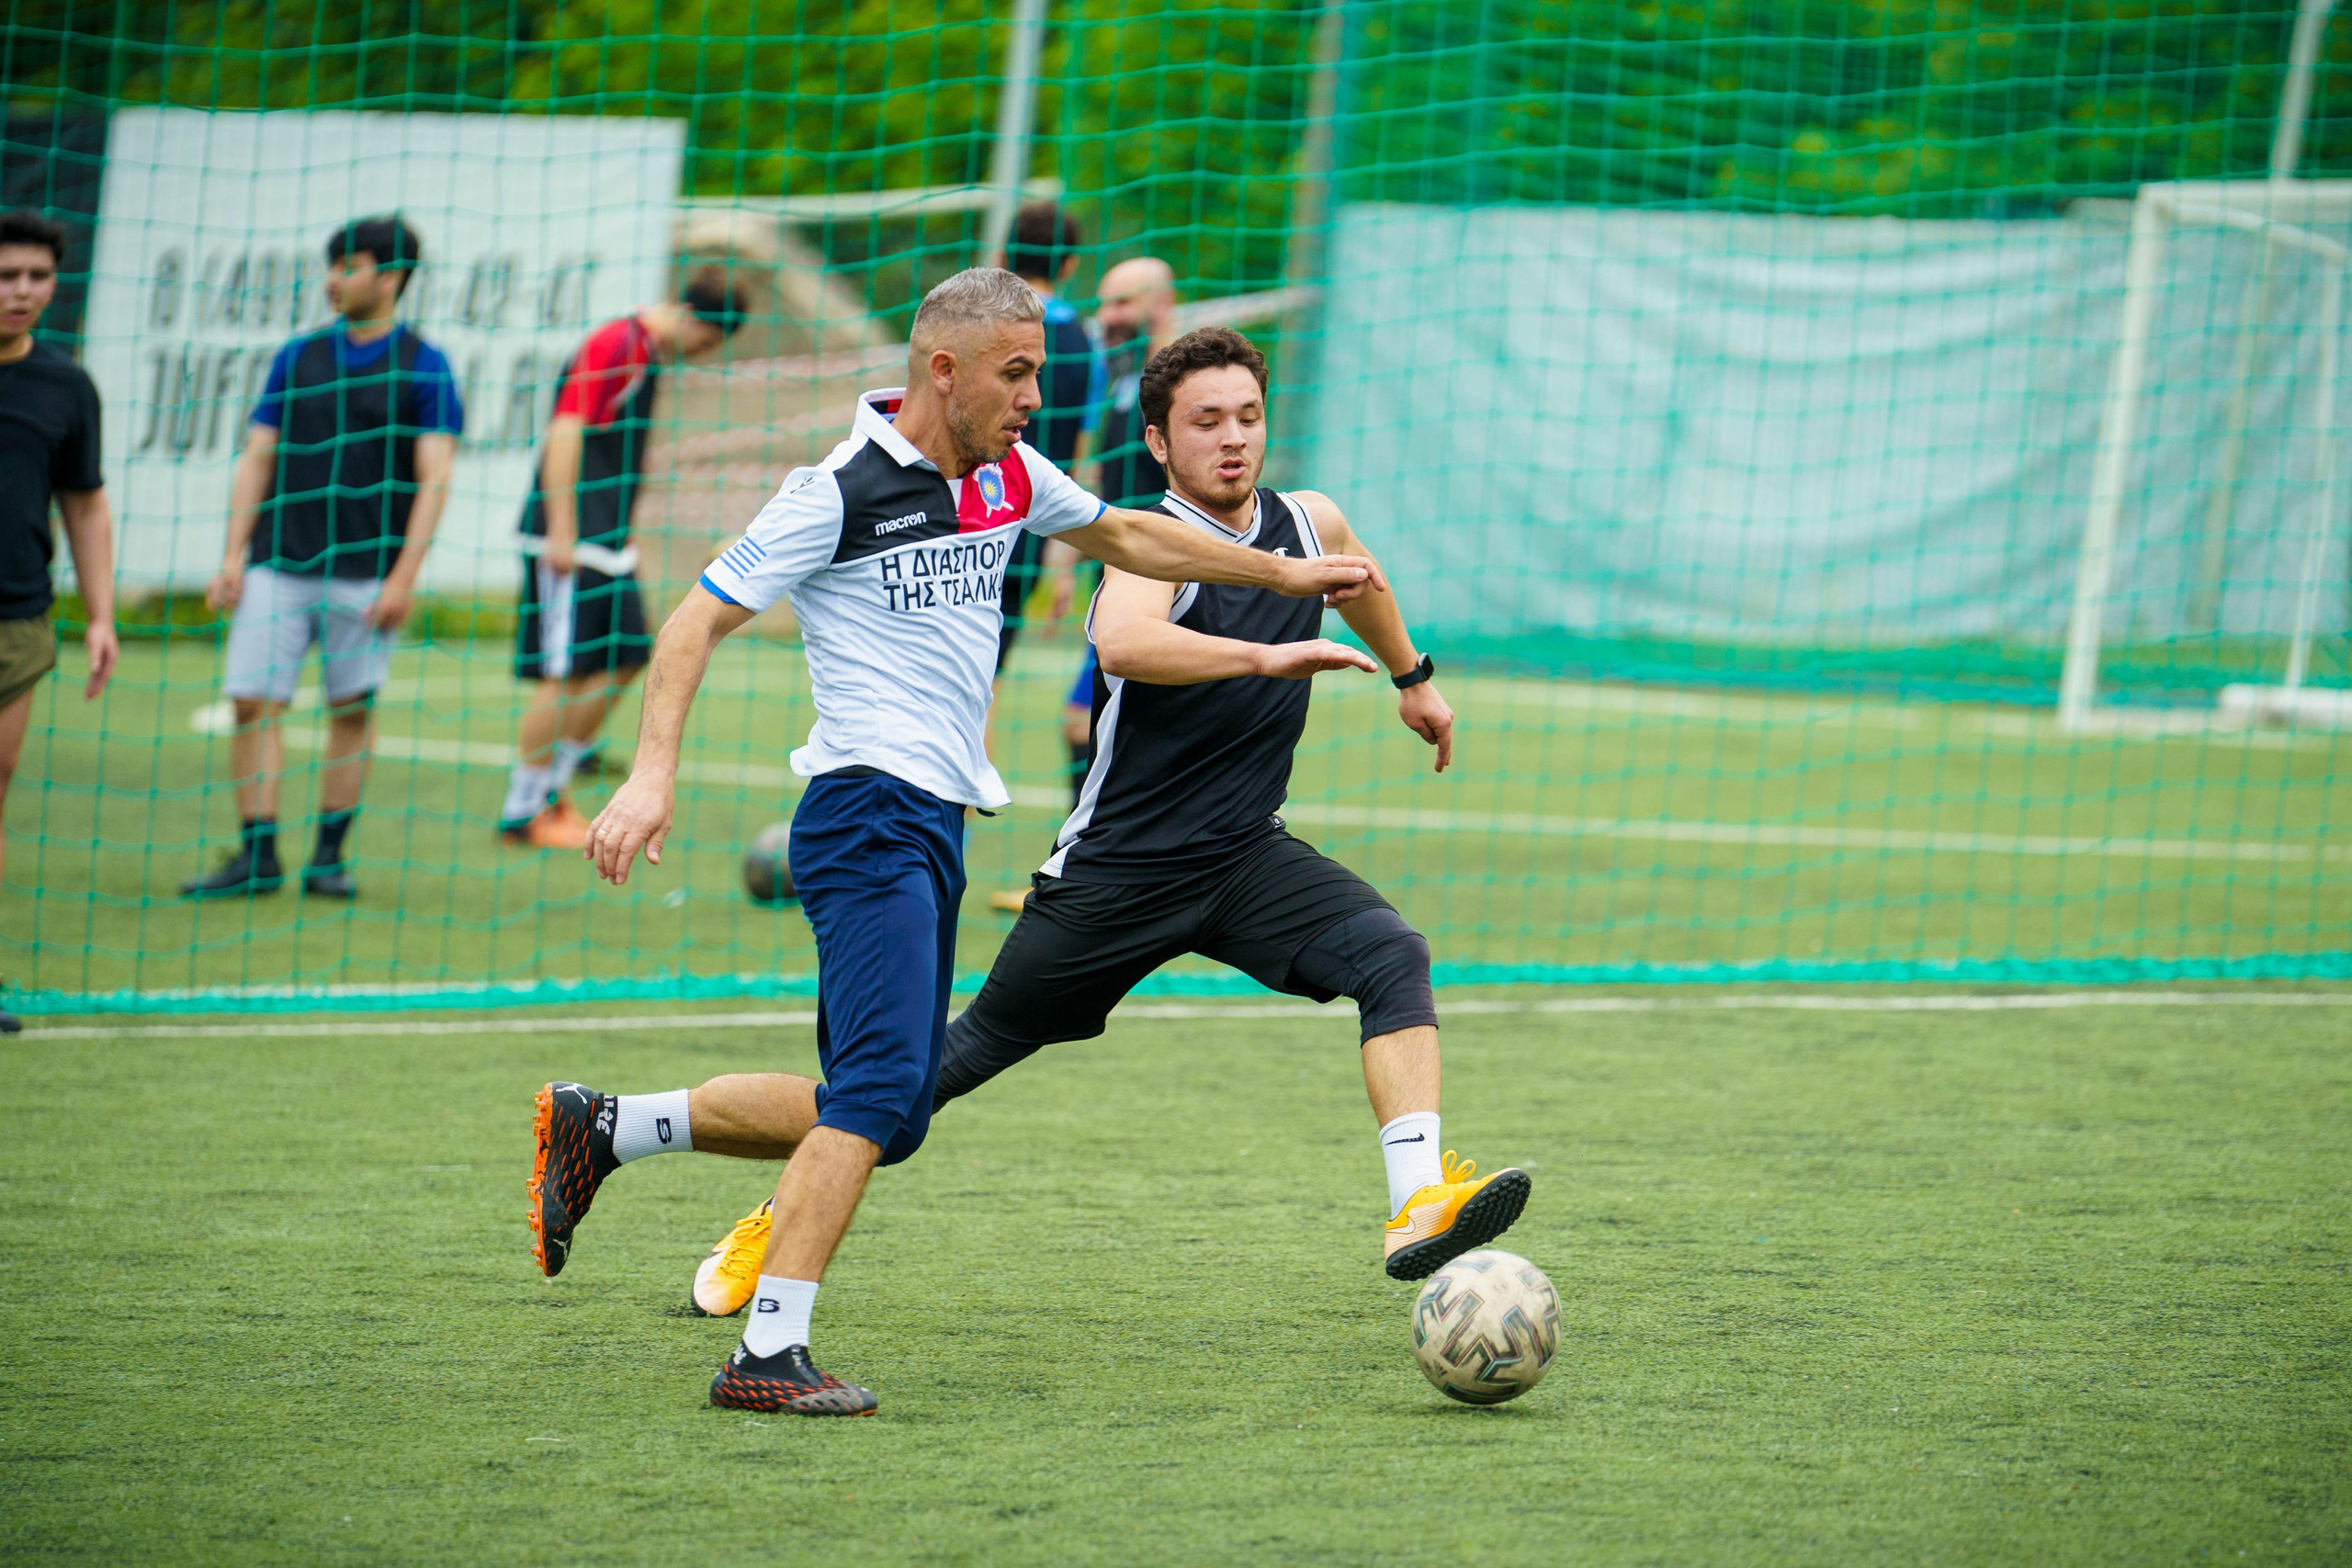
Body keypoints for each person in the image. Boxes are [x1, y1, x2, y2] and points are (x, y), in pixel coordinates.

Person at [526, 268, 1384, 1416]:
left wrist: (1281, 572)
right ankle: (766, 1354)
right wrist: (649, 775)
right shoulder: (834, 489)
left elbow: (1130, 533)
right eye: (1016, 373)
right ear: (945, 370)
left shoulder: (1010, 474)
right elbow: (694, 618)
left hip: (934, 822)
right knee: (883, 1088)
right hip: (863, 813)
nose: (1035, 393)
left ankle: (612, 1128)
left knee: (892, 1106)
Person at [683, 326, 1521, 1324]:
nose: (1232, 440)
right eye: (1205, 422)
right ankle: (776, 1218)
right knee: (933, 1075)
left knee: (1391, 956)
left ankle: (1415, 1206)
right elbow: (1124, 643)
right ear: (1161, 444)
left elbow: (1358, 575)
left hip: (1246, 854)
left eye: (1247, 418)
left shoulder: (1308, 521)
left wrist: (1412, 680)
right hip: (1117, 875)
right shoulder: (1146, 539)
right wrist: (1265, 659)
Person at [186, 215, 459, 900]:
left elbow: (436, 479)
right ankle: (258, 856)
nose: (334, 278)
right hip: (277, 563)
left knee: (351, 710)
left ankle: (328, 858)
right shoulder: (298, 355)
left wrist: (403, 578)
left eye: (351, 265)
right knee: (252, 703)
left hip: (367, 575)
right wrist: (231, 556)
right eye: (332, 265)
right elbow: (257, 457)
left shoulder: (426, 364)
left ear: (391, 276)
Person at [495, 277, 745, 848]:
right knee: (565, 674)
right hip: (572, 539)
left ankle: (552, 792)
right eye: (709, 340)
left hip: (606, 541)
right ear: (689, 313)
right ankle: (521, 810)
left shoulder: (644, 353)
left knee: (630, 655)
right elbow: (565, 431)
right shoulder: (616, 344)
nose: (705, 352)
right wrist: (562, 527)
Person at [0, 209, 118, 1035]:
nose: (22, 292)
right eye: (7, 276)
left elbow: (84, 502)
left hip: (18, 616)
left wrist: (102, 613)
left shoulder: (66, 385)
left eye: (38, 277)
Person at [1089, 255, 1178, 509]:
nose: (1105, 317)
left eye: (1121, 303)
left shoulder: (1185, 386)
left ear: (1162, 304)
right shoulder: (1123, 385)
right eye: (1103, 305)